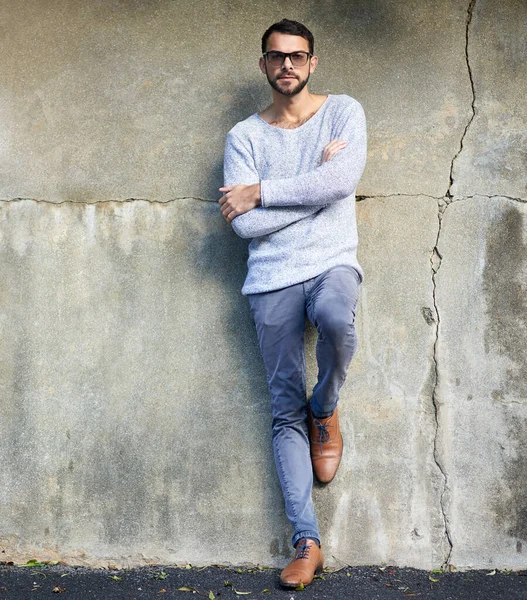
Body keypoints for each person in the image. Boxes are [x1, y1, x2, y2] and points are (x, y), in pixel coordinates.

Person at [219, 18, 367, 588]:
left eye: (297, 56)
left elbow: (343, 178)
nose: (287, 65)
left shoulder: (343, 112)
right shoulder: (244, 137)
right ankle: (307, 542)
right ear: (263, 65)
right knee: (283, 409)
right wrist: (321, 183)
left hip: (332, 264)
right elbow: (244, 225)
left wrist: (267, 190)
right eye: (277, 57)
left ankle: (326, 406)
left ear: (312, 63)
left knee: (336, 321)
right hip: (271, 279)